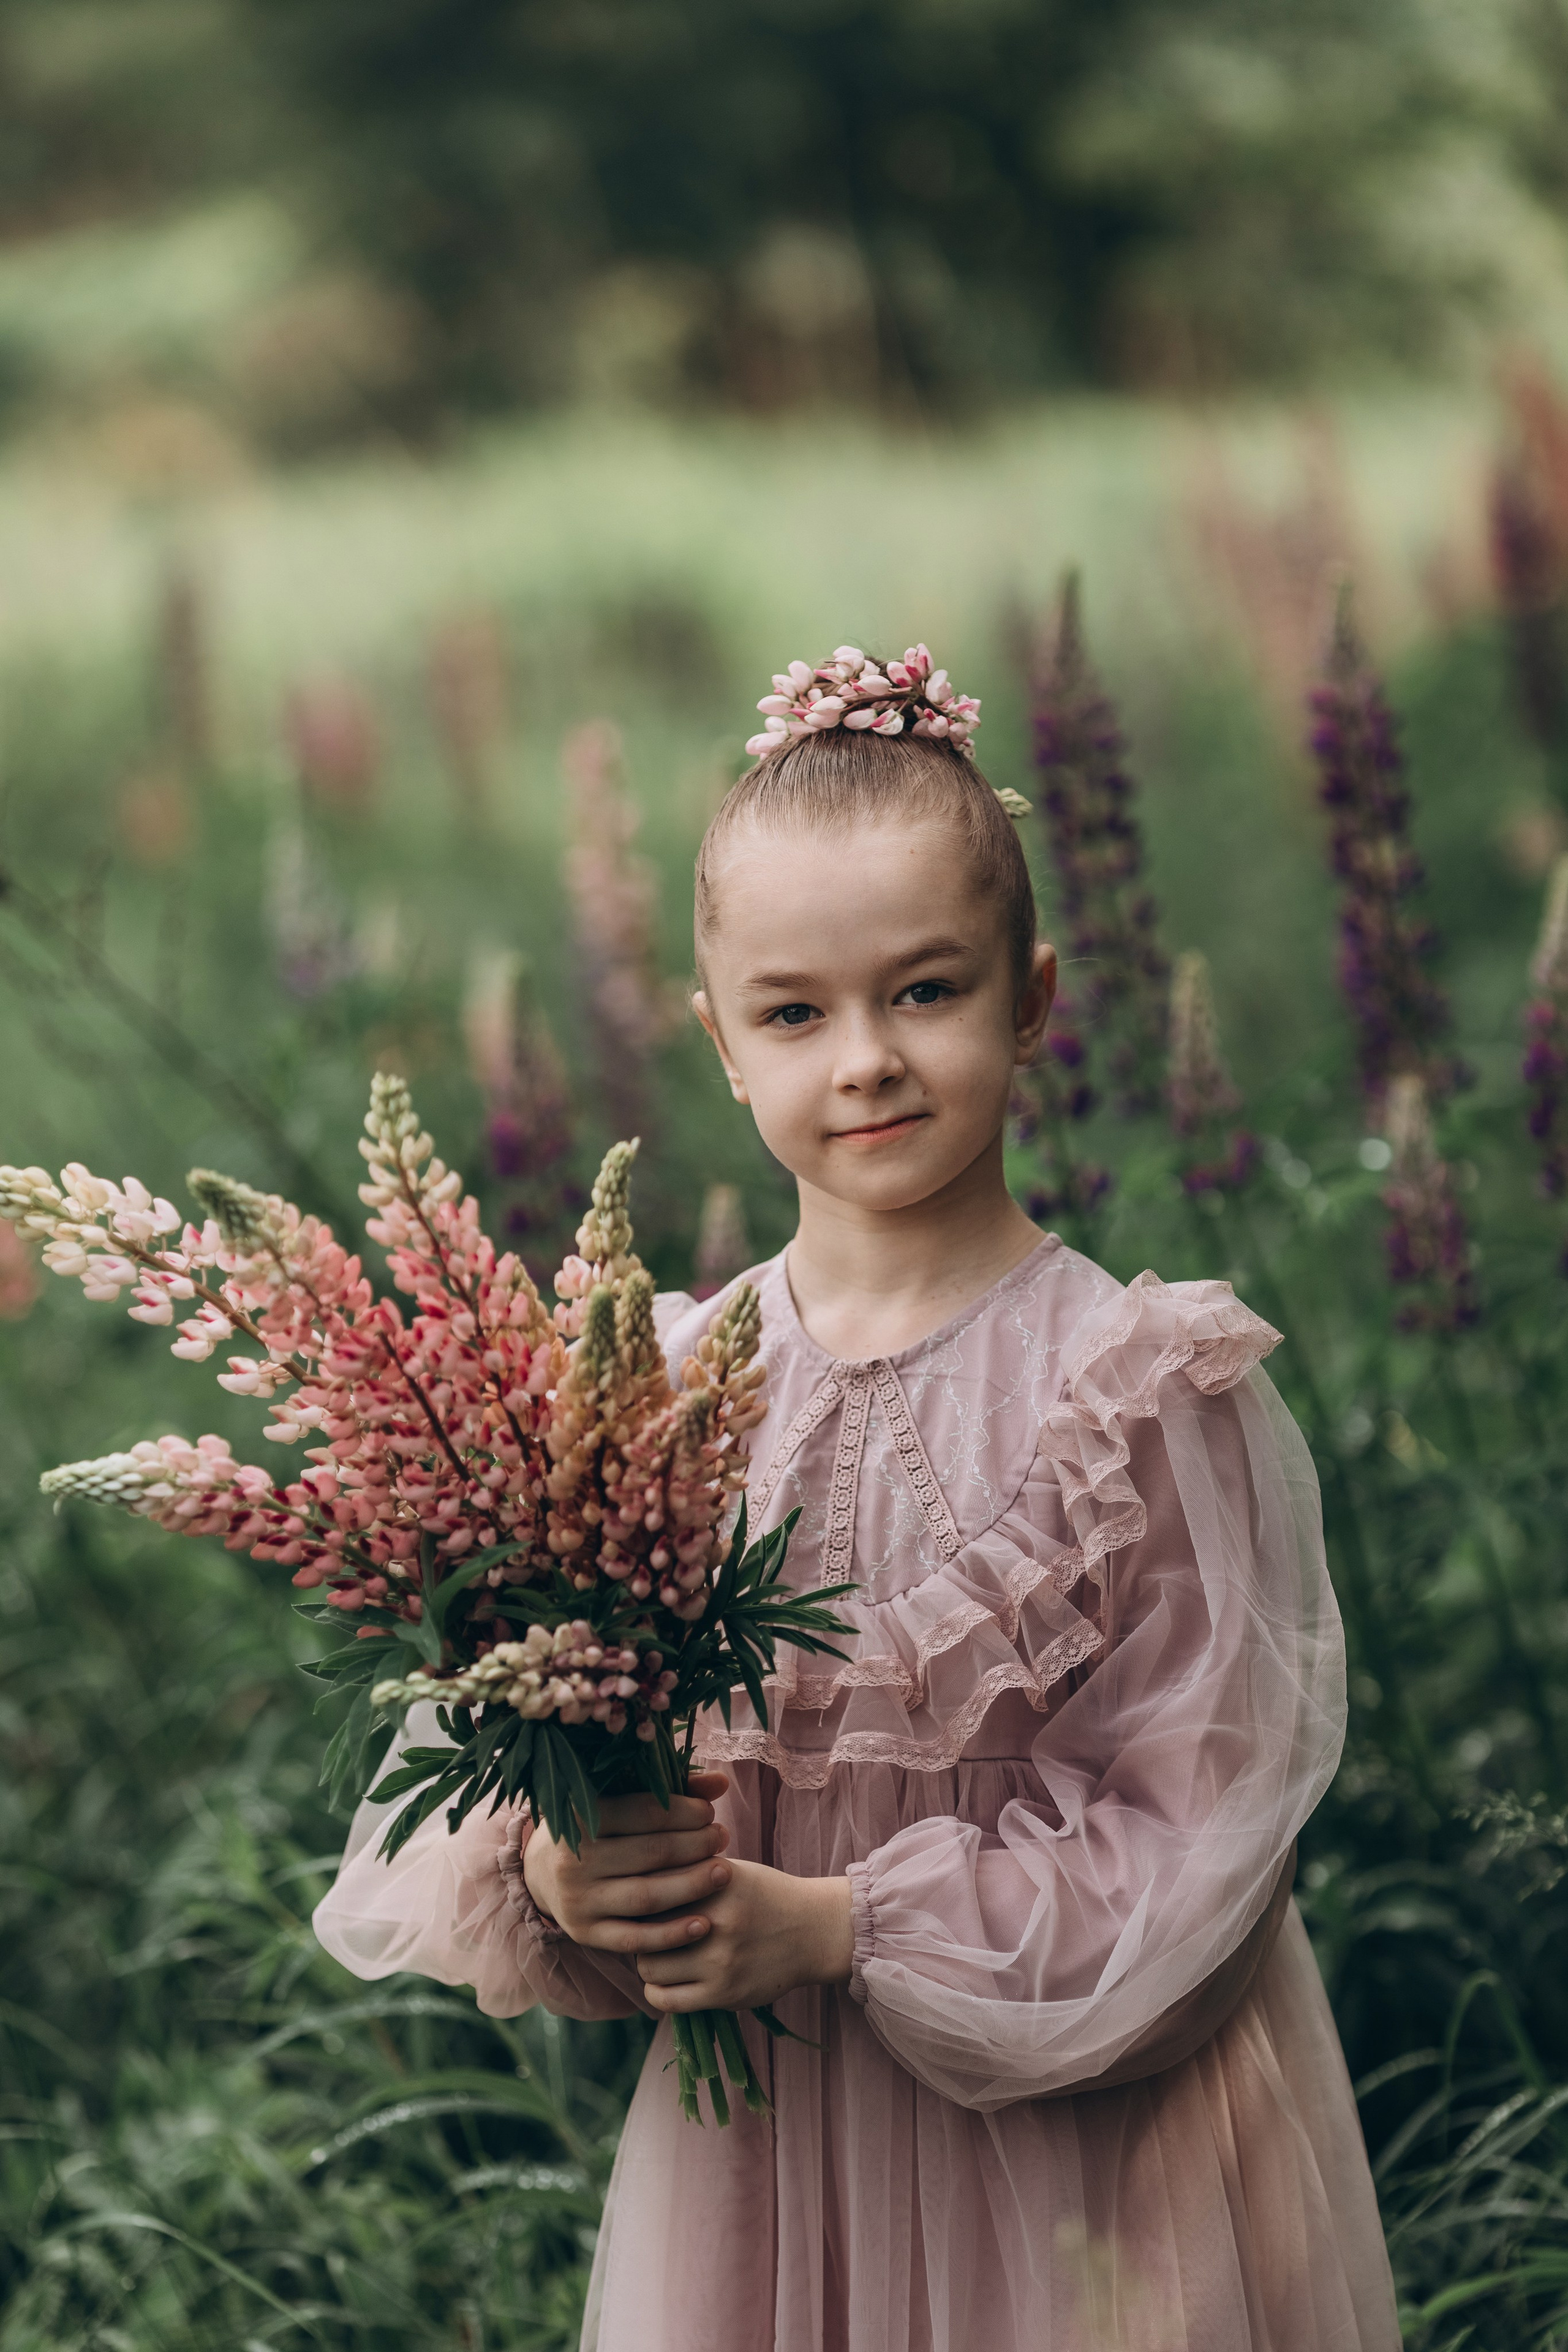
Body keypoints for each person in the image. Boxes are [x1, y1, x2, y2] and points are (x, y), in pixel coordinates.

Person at [315, 646, 1400, 2351]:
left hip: (1082, 2170)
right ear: (719, 1044)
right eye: (798, 1011)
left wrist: (837, 1924)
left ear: (1035, 998)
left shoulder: (1134, 1392)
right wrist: (574, 1877)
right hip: (771, 2172)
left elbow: (1199, 1850)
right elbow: (549, 1742)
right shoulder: (651, 1391)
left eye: (929, 991)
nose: (869, 1060)